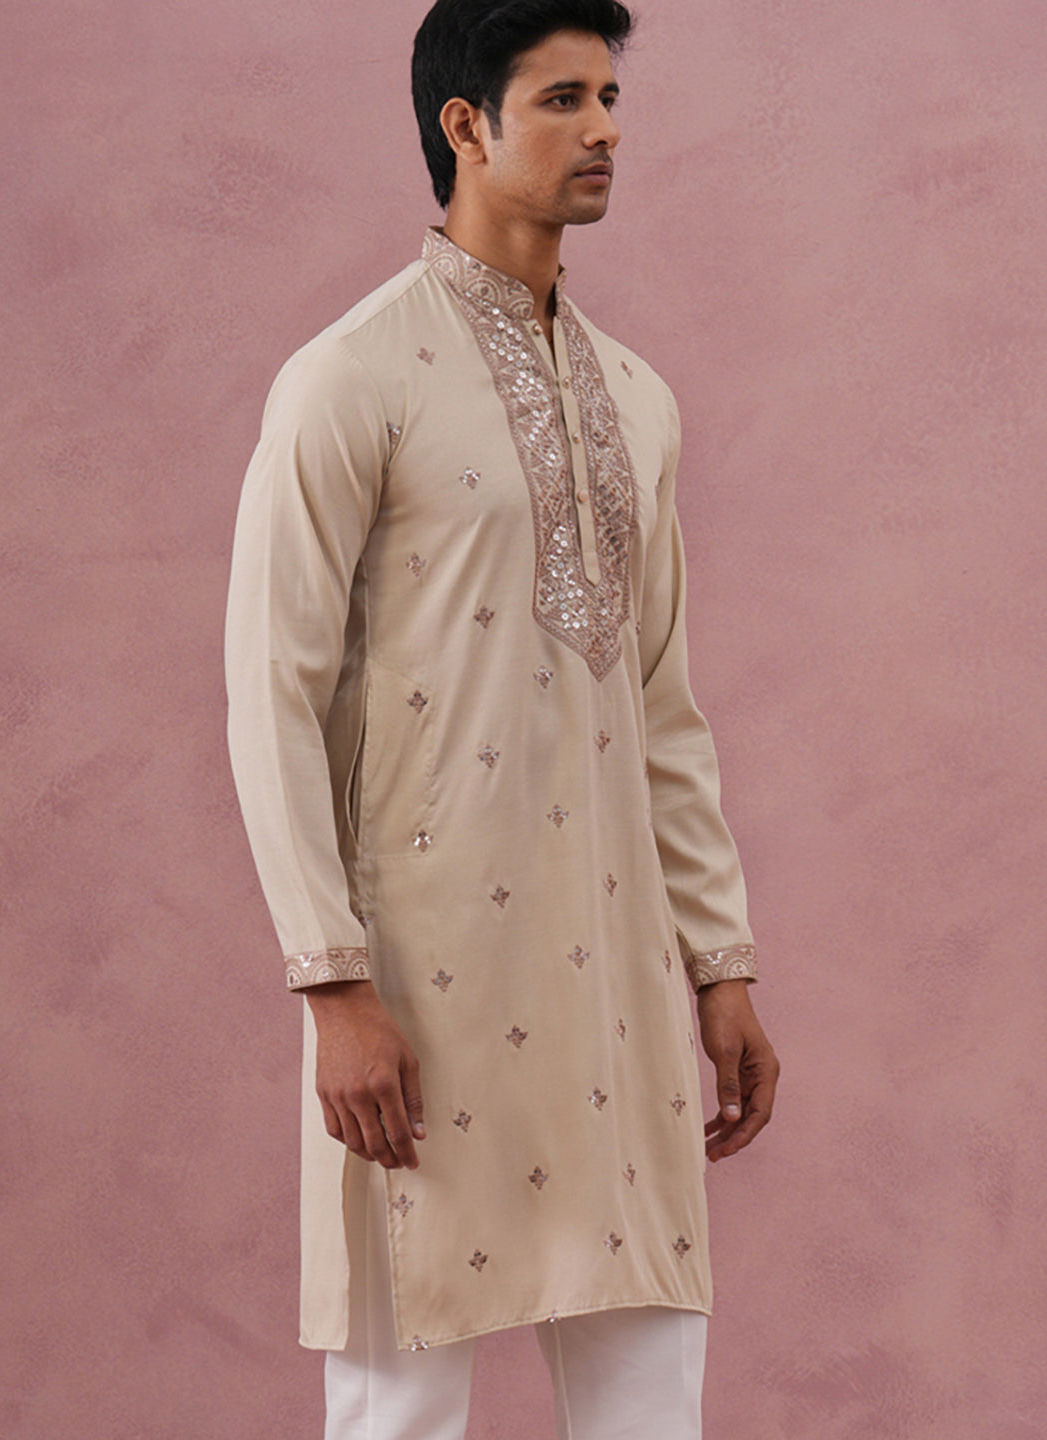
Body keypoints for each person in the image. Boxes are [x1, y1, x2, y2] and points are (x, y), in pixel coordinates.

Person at [224, 1, 780, 1435]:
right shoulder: (349, 378)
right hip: (420, 984)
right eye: (561, 99)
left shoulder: (638, 399)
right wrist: (332, 985)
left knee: (651, 1398)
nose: (605, 130)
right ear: (464, 125)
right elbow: (272, 691)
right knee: (401, 1404)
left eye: (610, 97)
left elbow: (662, 705)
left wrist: (719, 963)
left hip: (616, 986)